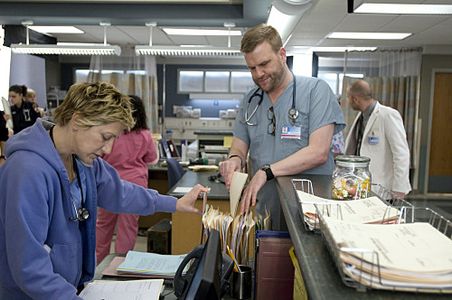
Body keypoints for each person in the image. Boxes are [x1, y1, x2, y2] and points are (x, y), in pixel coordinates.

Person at [0, 82, 208, 299]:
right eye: (105, 137)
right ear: (77, 120)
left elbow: (121, 193)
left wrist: (175, 203)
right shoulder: (27, 171)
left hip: (70, 289)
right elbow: (30, 269)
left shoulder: (81, 160)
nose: (108, 149)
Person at [219, 24, 345, 230]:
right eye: (252, 68)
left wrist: (267, 171)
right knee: (268, 259)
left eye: (264, 64)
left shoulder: (316, 91)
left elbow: (318, 152)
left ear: (282, 55)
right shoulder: (251, 100)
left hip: (309, 211)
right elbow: (240, 147)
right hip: (266, 206)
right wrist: (234, 160)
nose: (258, 73)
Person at [96, 95, 159, 264]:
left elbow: (98, 155)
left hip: (108, 183)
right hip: (135, 185)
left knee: (103, 226)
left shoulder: (111, 134)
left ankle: (97, 264)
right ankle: (120, 265)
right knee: (128, 227)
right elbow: (152, 159)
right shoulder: (145, 135)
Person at [344, 79, 411, 198]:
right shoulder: (361, 117)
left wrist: (399, 187)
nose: (348, 101)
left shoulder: (388, 115)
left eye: (348, 97)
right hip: (361, 184)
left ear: (355, 99)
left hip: (383, 188)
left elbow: (401, 153)